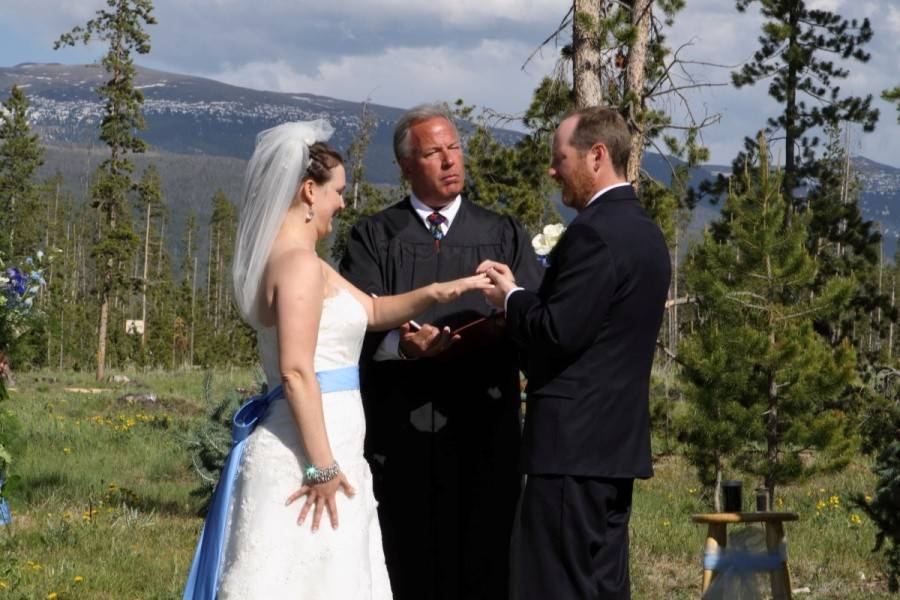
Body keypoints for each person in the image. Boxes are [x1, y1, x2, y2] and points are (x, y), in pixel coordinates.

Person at [182, 120, 492, 600]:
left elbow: (370, 310)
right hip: (309, 455)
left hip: (328, 443)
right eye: (337, 191)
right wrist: (322, 467)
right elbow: (297, 370)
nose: (342, 203)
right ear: (309, 191)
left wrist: (439, 290)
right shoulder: (302, 266)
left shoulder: (298, 261)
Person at [339, 104, 543, 600]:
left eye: (455, 148)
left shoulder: (500, 233)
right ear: (408, 166)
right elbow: (351, 323)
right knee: (406, 562)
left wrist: (504, 325)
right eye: (435, 152)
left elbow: (537, 318)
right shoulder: (375, 237)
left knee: (486, 565)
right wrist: (400, 348)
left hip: (483, 431)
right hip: (402, 435)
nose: (452, 160)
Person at [478, 107, 672, 600]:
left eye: (559, 157)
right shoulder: (646, 232)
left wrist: (513, 298)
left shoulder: (594, 233)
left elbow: (559, 332)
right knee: (601, 587)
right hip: (613, 448)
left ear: (597, 156)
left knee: (553, 585)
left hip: (570, 448)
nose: (551, 169)